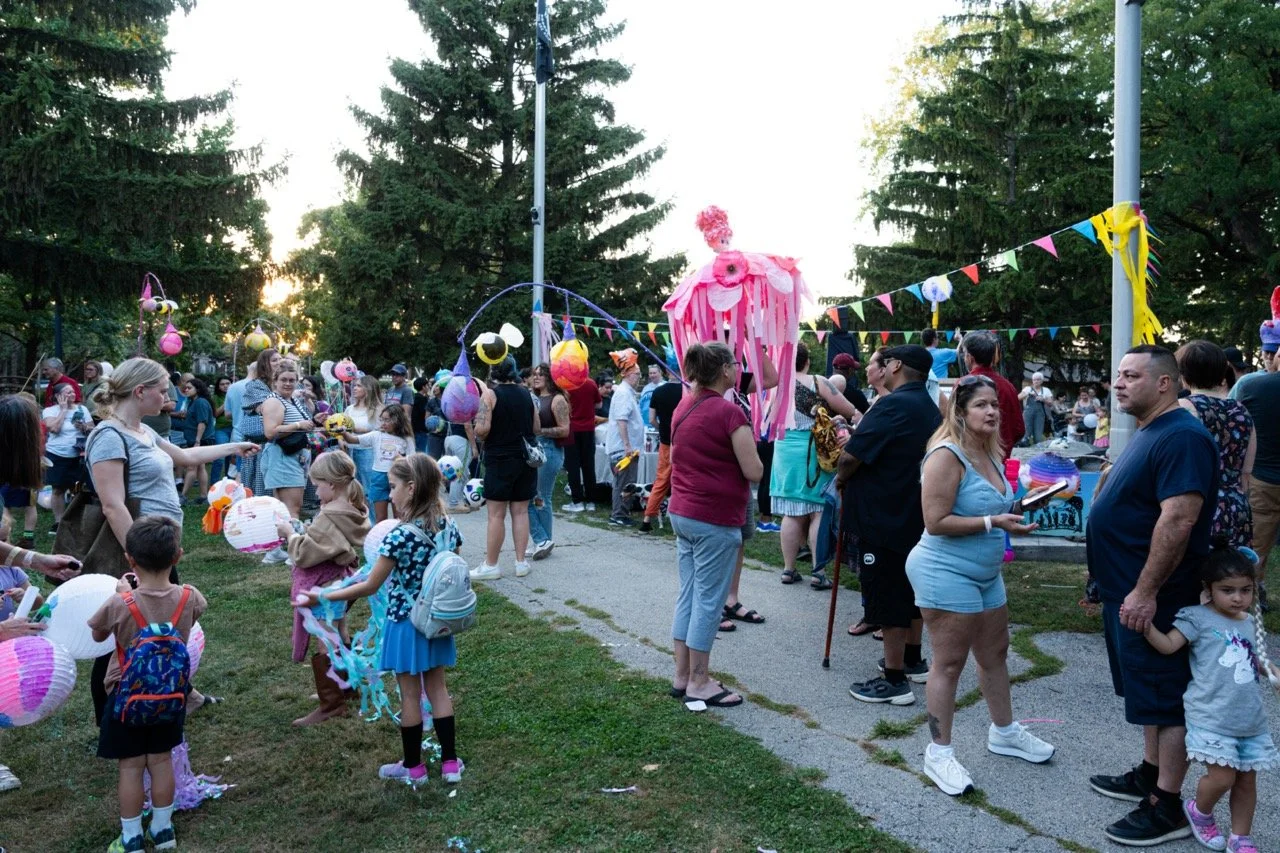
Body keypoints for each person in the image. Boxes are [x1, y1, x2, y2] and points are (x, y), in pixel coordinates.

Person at [1085, 345, 1218, 847]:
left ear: (1165, 383)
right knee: (1146, 694)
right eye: (1118, 374)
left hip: (1156, 597)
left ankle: (1167, 805)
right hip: (1125, 590)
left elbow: (1179, 519)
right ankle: (1150, 772)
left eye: (1131, 376)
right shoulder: (1152, 429)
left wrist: (1145, 591)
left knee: (1165, 701)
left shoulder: (1182, 436)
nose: (1118, 383)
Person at [906, 374, 1053, 796]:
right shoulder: (945, 455)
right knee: (949, 663)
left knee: (995, 654)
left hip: (986, 574)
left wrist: (1020, 508)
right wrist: (993, 522)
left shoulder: (990, 451)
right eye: (981, 405)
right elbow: (936, 521)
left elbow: (991, 506)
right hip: (944, 571)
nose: (992, 412)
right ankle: (939, 753)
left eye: (995, 405)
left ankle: (1004, 732)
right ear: (960, 411)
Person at [296, 454, 464, 787]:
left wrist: (324, 596)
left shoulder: (398, 537)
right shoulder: (449, 526)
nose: (389, 494)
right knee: (439, 690)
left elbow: (370, 585)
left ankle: (413, 768)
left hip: (405, 624)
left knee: (410, 696)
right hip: (437, 622)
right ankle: (450, 765)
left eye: (393, 486)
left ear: (411, 488)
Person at [1142, 541, 1278, 853]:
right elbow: (1169, 645)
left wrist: (1274, 672)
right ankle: (1199, 811)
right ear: (1209, 589)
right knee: (1222, 778)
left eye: (1245, 590)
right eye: (1228, 590)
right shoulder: (1197, 618)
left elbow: (1259, 661)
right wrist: (1146, 627)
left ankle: (1240, 837)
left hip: (1249, 720)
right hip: (1212, 716)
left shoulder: (1249, 622)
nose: (1238, 598)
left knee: (1247, 781)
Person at [88, 515, 207, 853]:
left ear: (130, 560)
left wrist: (124, 596)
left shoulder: (120, 602)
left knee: (130, 766)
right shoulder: (190, 597)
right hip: (170, 697)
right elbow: (194, 615)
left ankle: (131, 838)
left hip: (125, 697)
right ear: (177, 556)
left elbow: (97, 635)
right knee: (161, 760)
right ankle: (163, 830)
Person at [838, 345, 941, 706]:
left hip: (884, 514)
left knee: (888, 591)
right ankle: (912, 659)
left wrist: (842, 476)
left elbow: (851, 456)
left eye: (885, 362)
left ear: (896, 365)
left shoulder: (893, 404)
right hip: (911, 511)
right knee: (910, 591)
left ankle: (894, 680)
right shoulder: (928, 405)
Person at [667, 342, 763, 709]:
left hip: (683, 512)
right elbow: (754, 470)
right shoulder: (728, 412)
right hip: (713, 517)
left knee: (689, 595)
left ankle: (682, 675)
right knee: (708, 601)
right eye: (735, 364)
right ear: (724, 370)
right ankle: (699, 682)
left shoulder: (683, 405)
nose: (738, 369)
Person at [275, 451, 371, 726]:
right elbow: (328, 542)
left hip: (324, 587)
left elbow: (305, 554)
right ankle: (346, 687)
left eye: (317, 486)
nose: (315, 491)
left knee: (325, 637)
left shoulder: (329, 515)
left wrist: (290, 534)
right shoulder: (351, 508)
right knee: (340, 632)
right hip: (341, 581)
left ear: (332, 483)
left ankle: (331, 704)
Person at [770, 343, 855, 588]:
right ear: (807, 361)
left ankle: (788, 569)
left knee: (791, 511)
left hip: (785, 448)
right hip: (814, 450)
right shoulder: (818, 382)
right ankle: (818, 573)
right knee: (819, 510)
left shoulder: (775, 384)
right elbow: (849, 409)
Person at [1176, 341, 1255, 549]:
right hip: (1236, 506)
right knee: (1230, 567)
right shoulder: (1242, 411)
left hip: (1197, 506)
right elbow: (1246, 473)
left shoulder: (1183, 408)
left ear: (1183, 374)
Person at [470, 356, 536, 580]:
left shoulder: (490, 395)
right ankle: (521, 562)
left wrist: (477, 422)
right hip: (525, 459)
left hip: (500, 459)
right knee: (521, 511)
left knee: (496, 515)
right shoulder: (526, 393)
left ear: (493, 371)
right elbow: (536, 426)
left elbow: (481, 430)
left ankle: (491, 565)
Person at [260, 363, 315, 530]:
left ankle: (282, 543)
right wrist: (298, 425)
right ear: (275, 381)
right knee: (291, 510)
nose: (288, 383)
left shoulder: (291, 400)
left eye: (292, 380)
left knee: (286, 509)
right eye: (283, 379)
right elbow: (270, 432)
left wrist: (312, 421)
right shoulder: (273, 401)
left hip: (294, 457)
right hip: (283, 457)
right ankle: (292, 544)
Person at [340, 402, 412, 523]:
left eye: (387, 420)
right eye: (382, 419)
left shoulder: (406, 439)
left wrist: (402, 459)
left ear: (398, 420)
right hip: (379, 477)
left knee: (399, 517)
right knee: (380, 518)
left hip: (399, 477)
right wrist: (344, 433)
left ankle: (399, 534)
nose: (383, 423)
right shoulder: (376, 435)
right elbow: (353, 440)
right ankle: (380, 534)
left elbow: (413, 459)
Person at [528, 363, 571, 559]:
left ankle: (543, 540)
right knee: (534, 498)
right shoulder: (535, 397)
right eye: (535, 374)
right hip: (535, 450)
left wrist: (540, 432)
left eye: (541, 374)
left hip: (550, 450)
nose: (536, 377)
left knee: (541, 498)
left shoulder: (557, 399)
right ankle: (542, 541)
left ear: (550, 378)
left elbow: (564, 429)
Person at [960, 331, 1024, 458]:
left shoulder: (963, 385)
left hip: (972, 460)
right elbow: (1019, 429)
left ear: (969, 357)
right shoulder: (1008, 387)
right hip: (1001, 459)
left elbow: (955, 426)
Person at [42, 382, 93, 528]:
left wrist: (84, 427)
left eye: (73, 391)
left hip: (78, 455)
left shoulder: (82, 409)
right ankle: (59, 522)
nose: (72, 394)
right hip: (57, 454)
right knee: (58, 489)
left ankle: (74, 520)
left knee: (76, 488)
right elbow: (54, 429)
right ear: (58, 396)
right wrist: (63, 410)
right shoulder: (50, 411)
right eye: (68, 392)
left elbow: (92, 429)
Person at [639, 372, 684, 532]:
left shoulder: (658, 391)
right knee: (684, 480)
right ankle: (682, 519)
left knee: (661, 480)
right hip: (684, 442)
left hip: (665, 442)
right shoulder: (687, 391)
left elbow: (651, 419)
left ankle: (647, 519)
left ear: (667, 372)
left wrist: (662, 429)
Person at [605, 350, 645, 527]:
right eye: (637, 374)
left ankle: (622, 512)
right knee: (623, 482)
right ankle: (619, 514)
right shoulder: (623, 393)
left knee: (627, 481)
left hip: (628, 448)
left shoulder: (627, 392)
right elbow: (622, 420)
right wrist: (627, 445)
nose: (639, 378)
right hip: (623, 449)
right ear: (628, 374)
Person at [237, 349, 281, 498]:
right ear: (264, 364)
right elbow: (263, 409)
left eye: (280, 359)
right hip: (261, 441)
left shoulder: (287, 383)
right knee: (261, 480)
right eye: (274, 360)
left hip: (283, 440)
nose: (279, 363)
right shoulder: (255, 385)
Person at [562, 372, 602, 513]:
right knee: (588, 465)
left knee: (573, 466)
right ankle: (591, 501)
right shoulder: (591, 383)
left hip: (572, 428)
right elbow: (599, 404)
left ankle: (577, 501)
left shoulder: (566, 385)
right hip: (588, 429)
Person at [346, 374, 383, 513]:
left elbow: (380, 430)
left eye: (359, 385)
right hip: (350, 451)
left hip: (368, 452)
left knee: (369, 490)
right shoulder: (350, 409)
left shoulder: (378, 409)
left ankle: (374, 521)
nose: (354, 388)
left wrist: (356, 430)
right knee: (354, 490)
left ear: (368, 388)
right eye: (354, 385)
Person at [177, 378, 216, 506]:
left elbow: (202, 422)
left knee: (191, 467)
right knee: (200, 467)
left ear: (197, 389)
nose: (186, 390)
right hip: (195, 439)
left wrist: (197, 441)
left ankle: (183, 496)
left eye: (189, 388)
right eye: (185, 388)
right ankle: (204, 496)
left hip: (200, 440)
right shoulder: (193, 401)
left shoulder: (200, 402)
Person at [1018, 372, 1054, 444]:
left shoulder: (1046, 390)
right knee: (1026, 434)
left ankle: (1036, 448)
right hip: (1028, 414)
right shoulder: (1028, 389)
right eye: (1034, 380)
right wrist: (1027, 394)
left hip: (1040, 415)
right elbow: (1018, 398)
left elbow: (1051, 403)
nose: (1036, 381)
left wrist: (1043, 399)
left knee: (1038, 437)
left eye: (1038, 379)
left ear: (1042, 381)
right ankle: (1024, 447)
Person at [209, 375, 233, 482]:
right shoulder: (215, 397)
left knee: (231, 457)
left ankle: (229, 483)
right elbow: (215, 414)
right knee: (219, 457)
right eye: (222, 384)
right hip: (221, 429)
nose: (225, 386)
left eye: (228, 383)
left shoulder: (236, 395)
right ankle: (214, 483)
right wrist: (226, 402)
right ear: (218, 386)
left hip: (234, 429)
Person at [411, 377, 432, 454]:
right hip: (421, 430)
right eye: (427, 385)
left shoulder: (414, 397)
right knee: (421, 452)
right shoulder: (422, 399)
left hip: (414, 429)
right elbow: (425, 413)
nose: (429, 387)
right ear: (423, 387)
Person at [639, 363, 664, 427]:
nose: (652, 375)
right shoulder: (646, 388)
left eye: (654, 373)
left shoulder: (666, 386)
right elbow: (640, 405)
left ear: (660, 373)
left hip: (660, 424)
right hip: (646, 425)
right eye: (650, 373)